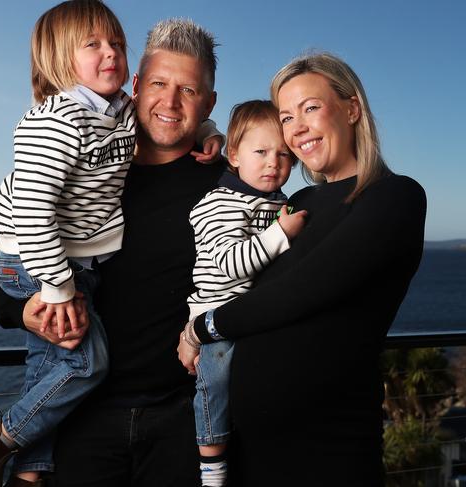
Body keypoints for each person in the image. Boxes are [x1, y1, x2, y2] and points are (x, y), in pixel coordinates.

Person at [0, 13, 225, 487]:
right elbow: (2, 257)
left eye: (189, 91)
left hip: (179, 420)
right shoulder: (89, 164)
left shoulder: (229, 184)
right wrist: (22, 309)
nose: (169, 102)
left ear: (209, 100)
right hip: (83, 419)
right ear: (136, 84)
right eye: (158, 83)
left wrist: (214, 135)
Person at [177, 52, 427, 487]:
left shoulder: (395, 196)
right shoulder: (297, 205)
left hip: (326, 448)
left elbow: (301, 291)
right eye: (287, 117)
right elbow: (234, 215)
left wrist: (201, 328)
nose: (297, 129)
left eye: (311, 108)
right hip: (249, 447)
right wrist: (209, 133)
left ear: (352, 109)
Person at [182, 100, 307, 487]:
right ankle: (211, 460)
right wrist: (280, 234)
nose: (274, 162)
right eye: (261, 152)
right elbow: (233, 264)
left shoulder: (274, 203)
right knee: (215, 380)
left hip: (252, 318)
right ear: (233, 155)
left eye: (284, 154)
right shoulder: (223, 203)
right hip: (216, 314)